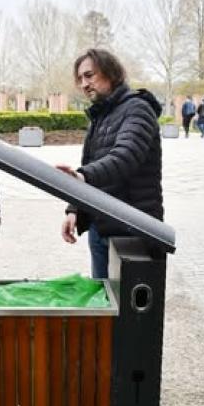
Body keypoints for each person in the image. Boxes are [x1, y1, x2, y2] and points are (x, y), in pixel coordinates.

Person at [58, 48, 163, 278]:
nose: (84, 84)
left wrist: (82, 176)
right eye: (80, 79)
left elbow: (125, 157)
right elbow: (91, 163)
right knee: (103, 306)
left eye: (90, 75)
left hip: (132, 231)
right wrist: (74, 209)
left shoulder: (138, 109)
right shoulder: (101, 115)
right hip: (100, 227)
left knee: (126, 312)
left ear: (112, 73)